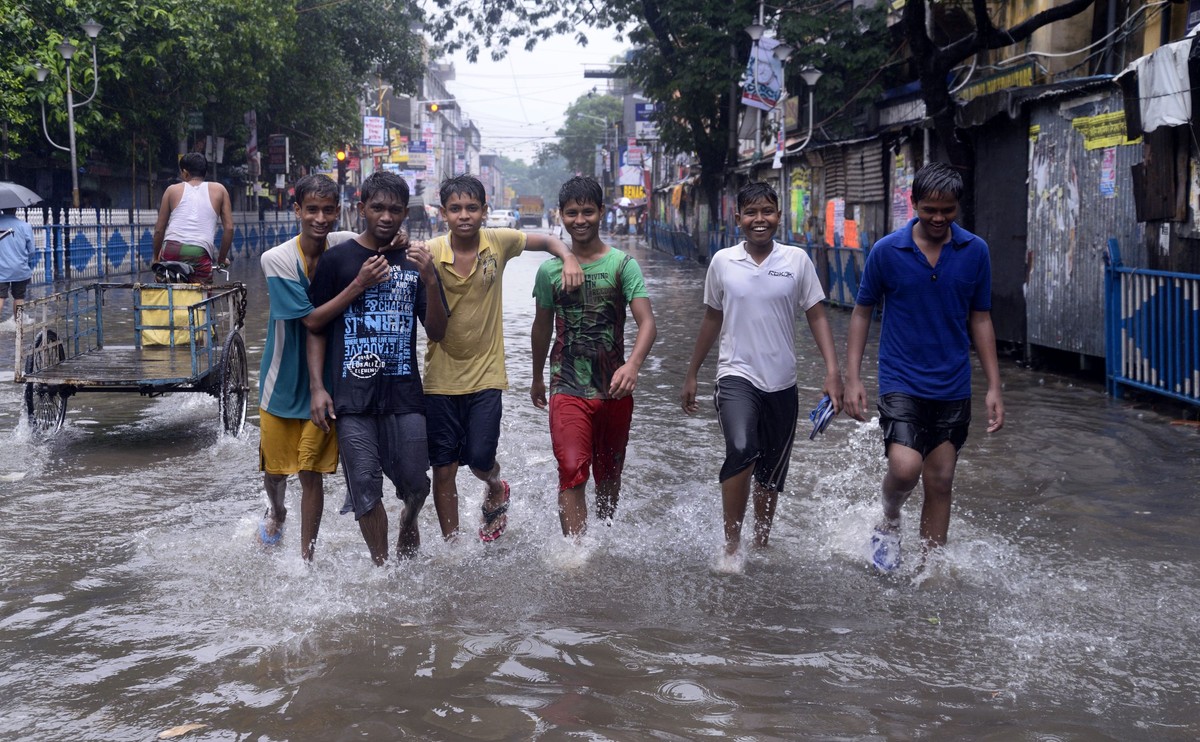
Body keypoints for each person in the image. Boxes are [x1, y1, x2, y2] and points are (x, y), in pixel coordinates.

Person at [844, 162, 1004, 573]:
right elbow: (862, 313)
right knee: (904, 468)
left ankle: (929, 569)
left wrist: (993, 386)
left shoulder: (976, 252)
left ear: (957, 208)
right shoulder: (887, 251)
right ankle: (890, 516)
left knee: (940, 479)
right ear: (913, 204)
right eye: (930, 209)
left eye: (947, 210)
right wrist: (853, 378)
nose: (938, 218)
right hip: (901, 380)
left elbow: (981, 318)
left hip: (952, 384)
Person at [681, 181, 843, 562]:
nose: (759, 220)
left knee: (770, 473)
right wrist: (692, 373)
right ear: (737, 218)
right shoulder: (722, 262)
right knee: (741, 449)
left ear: (778, 216)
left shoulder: (796, 261)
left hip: (782, 382)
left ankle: (761, 545)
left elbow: (817, 315)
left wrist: (833, 371)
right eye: (751, 213)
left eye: (767, 212)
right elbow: (712, 317)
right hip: (736, 376)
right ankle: (732, 548)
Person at [422, 174, 583, 543]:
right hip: (440, 377)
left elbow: (547, 240)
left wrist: (568, 257)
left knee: (480, 458)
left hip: (486, 374)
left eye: (472, 208)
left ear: (484, 211)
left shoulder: (499, 240)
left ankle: (496, 484)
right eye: (456, 208)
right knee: (442, 469)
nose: (464, 215)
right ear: (443, 213)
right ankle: (452, 546)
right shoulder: (430, 251)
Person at [306, 171, 448, 565]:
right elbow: (314, 325)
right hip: (351, 399)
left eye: (395, 209)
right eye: (378, 207)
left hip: (405, 395)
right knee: (365, 486)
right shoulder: (337, 260)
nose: (386, 217)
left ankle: (409, 519)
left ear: (406, 213)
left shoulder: (415, 260)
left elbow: (437, 332)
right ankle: (382, 568)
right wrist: (318, 388)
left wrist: (431, 280)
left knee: (417, 484)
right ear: (361, 207)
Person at [257, 173, 395, 559]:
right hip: (282, 380)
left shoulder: (343, 244)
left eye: (328, 210)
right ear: (297, 210)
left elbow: (383, 240)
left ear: (339, 211)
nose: (320, 218)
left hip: (327, 380)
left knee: (310, 472)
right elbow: (312, 321)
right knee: (275, 470)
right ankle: (278, 510)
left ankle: (306, 558)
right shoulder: (278, 259)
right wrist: (357, 285)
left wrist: (398, 243)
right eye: (312, 209)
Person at [531, 176, 656, 537]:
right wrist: (537, 377)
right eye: (572, 213)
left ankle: (604, 538)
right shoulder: (549, 272)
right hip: (567, 385)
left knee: (609, 474)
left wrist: (632, 365)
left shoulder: (622, 265)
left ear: (601, 212)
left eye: (588, 211)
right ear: (561, 215)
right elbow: (541, 329)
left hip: (614, 388)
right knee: (572, 467)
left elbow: (647, 323)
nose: (580, 220)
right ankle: (576, 556)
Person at [151, 152, 234, 283]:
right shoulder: (219, 190)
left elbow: (159, 230)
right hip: (199, 252)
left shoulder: (171, 190)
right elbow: (229, 228)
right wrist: (222, 259)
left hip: (170, 250)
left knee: (165, 290)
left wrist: (156, 258)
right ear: (205, 173)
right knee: (201, 294)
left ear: (184, 173)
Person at [0, 207, 36, 323]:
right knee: (19, 297)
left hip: (0, 269)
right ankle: (18, 325)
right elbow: (31, 251)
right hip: (19, 268)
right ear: (16, 209)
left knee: (0, 297)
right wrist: (24, 260)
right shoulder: (25, 226)